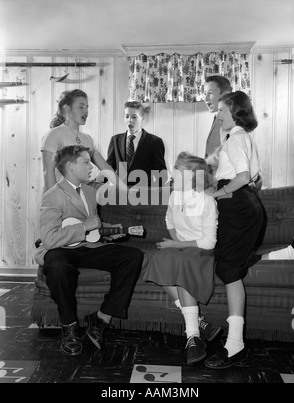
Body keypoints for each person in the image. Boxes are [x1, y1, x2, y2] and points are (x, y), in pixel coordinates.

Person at [34, 145, 144, 357]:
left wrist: (107, 233)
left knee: (132, 256)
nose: (91, 166)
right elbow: (49, 238)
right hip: (60, 248)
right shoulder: (53, 196)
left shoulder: (91, 192)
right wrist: (84, 227)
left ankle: (101, 318)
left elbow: (93, 229)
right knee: (56, 265)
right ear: (70, 166)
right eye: (85, 162)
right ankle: (69, 326)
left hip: (87, 247)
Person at [204, 91, 264, 370]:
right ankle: (246, 255)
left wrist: (219, 193)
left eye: (222, 111)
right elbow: (255, 179)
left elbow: (241, 177)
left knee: (229, 272)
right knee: (228, 267)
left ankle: (235, 346)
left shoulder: (236, 139)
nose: (217, 115)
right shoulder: (240, 138)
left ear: (235, 113)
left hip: (238, 207)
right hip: (245, 204)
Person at [143, 152, 219, 365]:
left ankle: (193, 336)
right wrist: (177, 246)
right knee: (158, 259)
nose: (172, 172)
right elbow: (169, 221)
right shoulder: (174, 196)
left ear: (192, 176)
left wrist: (177, 246)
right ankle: (200, 321)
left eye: (177, 168)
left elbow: (209, 243)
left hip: (201, 253)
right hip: (184, 251)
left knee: (180, 264)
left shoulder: (207, 202)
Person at [41, 89, 128, 194]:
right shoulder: (53, 135)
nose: (85, 111)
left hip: (79, 198)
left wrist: (126, 189)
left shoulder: (87, 139)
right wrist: (57, 201)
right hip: (57, 199)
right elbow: (48, 172)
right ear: (67, 109)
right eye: (81, 107)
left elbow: (105, 168)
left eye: (87, 108)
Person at [106, 101, 168, 187]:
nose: (129, 120)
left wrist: (153, 193)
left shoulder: (155, 142)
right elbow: (109, 168)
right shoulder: (115, 140)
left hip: (144, 194)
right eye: (127, 117)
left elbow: (161, 174)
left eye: (134, 117)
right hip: (121, 193)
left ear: (142, 118)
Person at [203, 75, 232, 177]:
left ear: (225, 94)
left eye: (210, 93)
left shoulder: (230, 121)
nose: (205, 98)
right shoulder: (217, 117)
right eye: (204, 93)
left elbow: (229, 157)